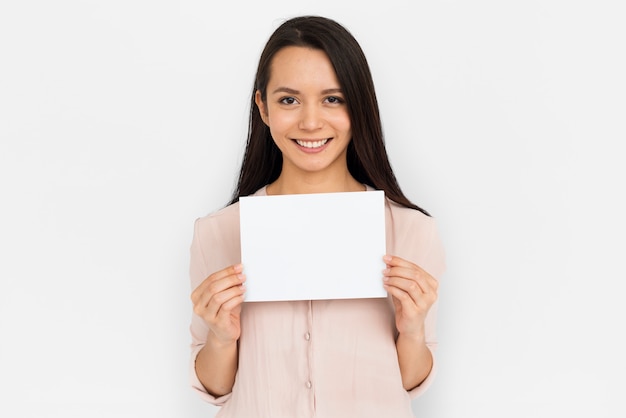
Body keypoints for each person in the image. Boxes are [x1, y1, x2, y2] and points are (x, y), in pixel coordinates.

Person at [189, 15, 445, 417]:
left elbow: (411, 384)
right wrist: (221, 338)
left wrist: (412, 329)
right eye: (289, 100)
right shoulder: (218, 233)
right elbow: (216, 388)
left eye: (333, 98)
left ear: (358, 106)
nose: (311, 122)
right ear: (263, 107)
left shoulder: (412, 231)